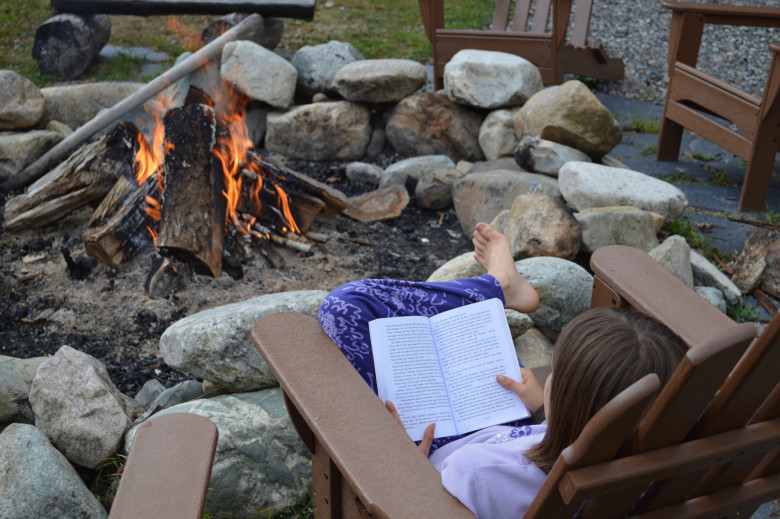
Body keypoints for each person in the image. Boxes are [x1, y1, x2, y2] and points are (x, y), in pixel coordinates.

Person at [318, 222, 687, 518]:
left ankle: (496, 287)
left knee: (346, 305)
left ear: (576, 405)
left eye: (556, 371)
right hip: (529, 437)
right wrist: (542, 408)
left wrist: (406, 469)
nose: (549, 375)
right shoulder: (637, 470)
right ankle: (501, 287)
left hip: (432, 455)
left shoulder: (477, 473)